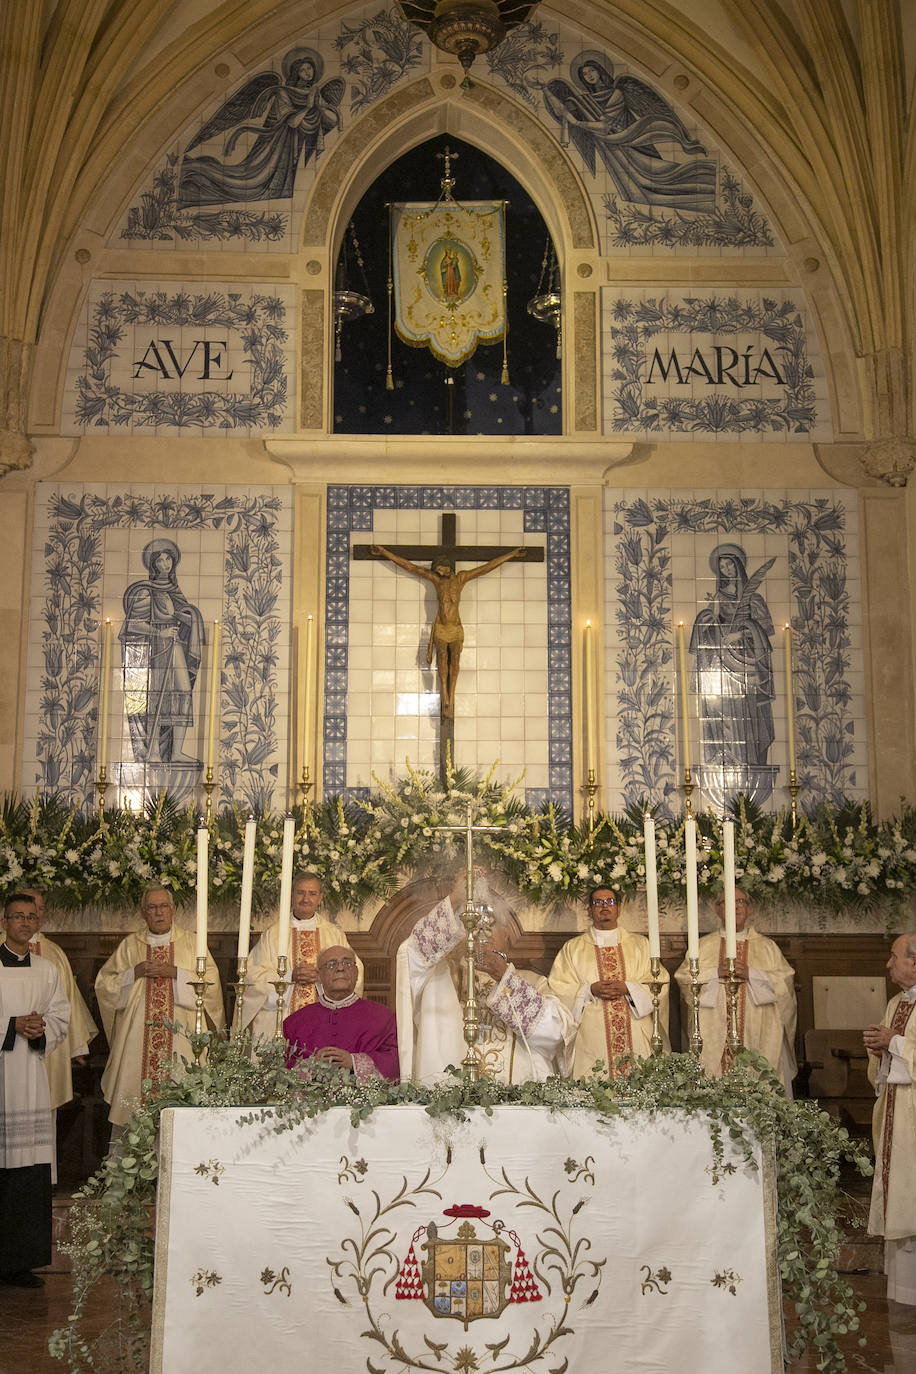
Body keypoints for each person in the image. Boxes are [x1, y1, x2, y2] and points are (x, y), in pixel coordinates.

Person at [396, 873, 575, 1085]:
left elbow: (554, 1035)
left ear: (507, 933)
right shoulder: (442, 978)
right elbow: (412, 953)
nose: (481, 932)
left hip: (517, 1106)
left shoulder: (533, 982)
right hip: (452, 1104)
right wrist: (455, 899)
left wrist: (504, 979)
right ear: (459, 934)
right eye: (473, 926)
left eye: (490, 924)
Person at [95, 887, 224, 1126]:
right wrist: (135, 972)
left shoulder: (192, 942)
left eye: (163, 906)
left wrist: (175, 973)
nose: (159, 913)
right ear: (143, 913)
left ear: (173, 910)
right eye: (152, 908)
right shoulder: (130, 945)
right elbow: (104, 985)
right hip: (137, 1043)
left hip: (182, 1040)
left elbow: (211, 982)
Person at [543, 50, 716, 212]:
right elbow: (562, 112)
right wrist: (548, 92)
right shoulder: (586, 100)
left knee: (660, 178)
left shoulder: (616, 93)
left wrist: (578, 123)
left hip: (631, 143)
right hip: (613, 152)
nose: (589, 76)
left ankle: (704, 183)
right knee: (639, 190)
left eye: (591, 71)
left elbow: (604, 127)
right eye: (585, 75)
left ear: (600, 70)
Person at [0, 893, 70, 1287]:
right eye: (17, 916)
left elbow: (62, 1015)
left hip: (30, 1079)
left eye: (31, 917)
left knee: (27, 1172)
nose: (25, 923)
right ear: (4, 921)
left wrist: (41, 1028)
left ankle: (21, 1262)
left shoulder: (46, 969)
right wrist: (12, 1027)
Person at [177, 46, 344, 207]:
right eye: (303, 69)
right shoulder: (283, 92)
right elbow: (292, 122)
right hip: (275, 148)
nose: (308, 72)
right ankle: (197, 172)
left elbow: (328, 121)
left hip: (296, 151)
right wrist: (308, 107)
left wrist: (322, 107)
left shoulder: (315, 93)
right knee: (250, 183)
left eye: (310, 68)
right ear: (295, 72)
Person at [370, 544, 523, 717]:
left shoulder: (461, 579)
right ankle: (445, 697)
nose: (440, 574)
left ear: (447, 565)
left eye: (441, 570)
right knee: (442, 659)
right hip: (442, 628)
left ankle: (451, 695)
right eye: (437, 571)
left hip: (456, 629)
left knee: (455, 660)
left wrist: (511, 555)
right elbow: (410, 566)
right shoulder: (436, 581)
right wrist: (384, 552)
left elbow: (486, 568)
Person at [674, 888, 797, 1094]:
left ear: (748, 910)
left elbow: (785, 984)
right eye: (728, 902)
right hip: (715, 1031)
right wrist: (714, 973)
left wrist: (753, 974)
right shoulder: (702, 947)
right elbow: (685, 979)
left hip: (758, 1032)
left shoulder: (768, 947)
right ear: (717, 909)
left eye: (740, 901)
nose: (735, 906)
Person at [548, 885, 668, 1078]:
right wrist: (589, 990)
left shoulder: (640, 945)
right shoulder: (572, 949)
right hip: (591, 1037)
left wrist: (628, 988)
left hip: (634, 1029)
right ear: (589, 910)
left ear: (618, 909)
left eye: (610, 902)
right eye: (598, 903)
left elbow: (659, 982)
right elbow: (557, 988)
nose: (605, 906)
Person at [243, 871, 363, 1044]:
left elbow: (354, 973)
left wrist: (324, 977)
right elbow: (252, 976)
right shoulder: (272, 936)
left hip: (325, 1022)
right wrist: (289, 976)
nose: (306, 899)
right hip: (281, 1022)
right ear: (291, 896)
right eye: (300, 893)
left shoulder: (334, 935)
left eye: (312, 894)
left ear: (320, 898)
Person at [689, 543, 776, 772]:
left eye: (729, 564)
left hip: (748, 662)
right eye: (722, 567)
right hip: (725, 663)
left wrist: (742, 631)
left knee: (749, 710)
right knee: (727, 708)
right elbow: (711, 625)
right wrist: (706, 619)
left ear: (738, 564)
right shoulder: (719, 598)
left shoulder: (753, 599)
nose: (727, 569)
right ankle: (730, 758)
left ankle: (751, 758)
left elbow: (766, 629)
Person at [11, 888, 98, 1117]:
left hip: (45, 1049)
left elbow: (67, 1004)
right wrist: (13, 1025)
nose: (34, 916)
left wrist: (76, 1046)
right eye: (26, 911)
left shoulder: (54, 955)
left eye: (38, 910)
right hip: (7, 1054)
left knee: (44, 1116)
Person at [119, 537, 206, 764]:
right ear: (153, 564)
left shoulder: (174, 591)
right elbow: (131, 624)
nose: (165, 564)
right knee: (157, 697)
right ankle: (154, 751)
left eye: (169, 559)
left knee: (183, 693)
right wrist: (160, 633)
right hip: (156, 652)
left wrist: (187, 616)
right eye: (161, 560)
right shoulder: (146, 592)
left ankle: (176, 752)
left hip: (176, 648)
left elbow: (186, 617)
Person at [864, 933, 916, 1307]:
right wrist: (881, 1049)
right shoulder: (896, 1002)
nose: (888, 963)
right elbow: (884, 1069)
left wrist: (894, 1042)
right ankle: (904, 1292)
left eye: (893, 956)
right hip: (896, 1115)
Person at [284, 945, 398, 1082]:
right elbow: (280, 1071)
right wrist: (312, 1065)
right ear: (319, 976)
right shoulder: (294, 1022)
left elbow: (396, 1060)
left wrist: (354, 1062)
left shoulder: (384, 1017)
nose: (340, 968)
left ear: (356, 973)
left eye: (347, 963)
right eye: (331, 964)